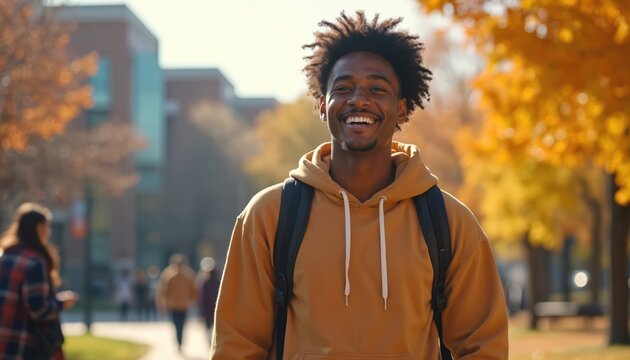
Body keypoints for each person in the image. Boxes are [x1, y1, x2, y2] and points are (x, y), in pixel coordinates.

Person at [211, 11, 509, 359]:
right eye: (343, 88)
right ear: (322, 105)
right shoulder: (270, 216)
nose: (359, 99)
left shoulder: (449, 222)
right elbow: (237, 346)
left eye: (377, 88)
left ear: (402, 109)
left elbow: (483, 346)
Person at [0, 203, 78, 359]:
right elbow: (38, 309)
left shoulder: (6, 257)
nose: (48, 232)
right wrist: (62, 303)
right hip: (26, 345)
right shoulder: (34, 262)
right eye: (46, 227)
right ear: (39, 228)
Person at [156, 253, 197, 353]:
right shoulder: (171, 274)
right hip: (175, 305)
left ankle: (180, 342)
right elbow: (163, 291)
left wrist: (192, 300)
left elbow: (194, 291)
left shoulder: (173, 274)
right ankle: (179, 342)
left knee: (180, 325)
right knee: (178, 325)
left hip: (181, 305)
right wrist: (161, 304)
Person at [196, 257, 220, 339]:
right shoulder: (216, 280)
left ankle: (212, 341)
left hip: (212, 307)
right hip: (211, 308)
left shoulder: (206, 281)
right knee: (212, 327)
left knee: (212, 327)